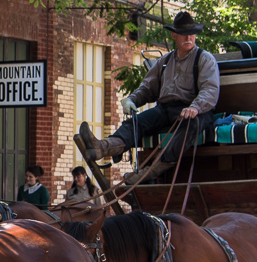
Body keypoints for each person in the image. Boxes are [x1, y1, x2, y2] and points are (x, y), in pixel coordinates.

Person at [75, 11, 220, 185]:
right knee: (135, 122)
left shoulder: (204, 59)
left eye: (191, 33)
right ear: (174, 35)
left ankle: (152, 170)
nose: (188, 37)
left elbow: (210, 89)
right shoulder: (164, 62)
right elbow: (147, 88)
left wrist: (195, 107)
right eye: (183, 33)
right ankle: (102, 147)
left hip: (195, 111)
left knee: (191, 126)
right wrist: (132, 100)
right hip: (166, 109)